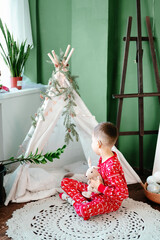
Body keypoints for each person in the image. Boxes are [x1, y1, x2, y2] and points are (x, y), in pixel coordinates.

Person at [59, 122, 129, 220]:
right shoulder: (103, 158)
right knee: (65, 182)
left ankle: (74, 201)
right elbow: (101, 176)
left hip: (109, 201)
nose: (91, 144)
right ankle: (84, 201)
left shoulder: (111, 166)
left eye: (92, 141)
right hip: (96, 191)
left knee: (83, 210)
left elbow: (123, 193)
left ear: (98, 144)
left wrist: (100, 187)